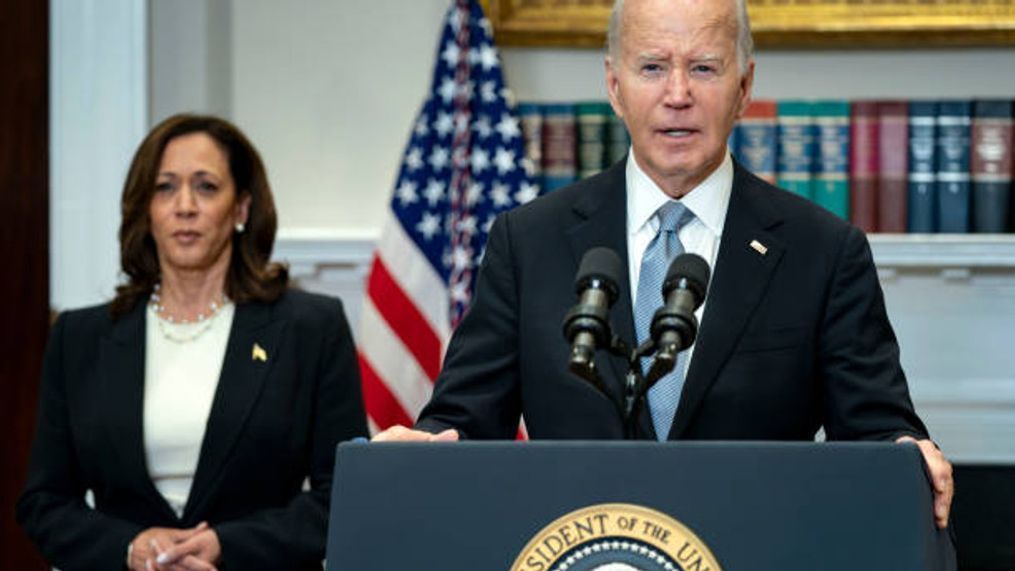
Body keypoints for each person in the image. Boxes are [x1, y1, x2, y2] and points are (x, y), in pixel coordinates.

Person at [376, 0, 953, 530]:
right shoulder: (528, 242)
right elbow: (465, 422)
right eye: (652, 67)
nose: (678, 93)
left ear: (745, 85)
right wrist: (426, 449)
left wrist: (905, 452)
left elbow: (876, 431)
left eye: (704, 68)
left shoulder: (823, 250)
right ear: (614, 85)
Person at [17, 114, 368, 570]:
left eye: (205, 187)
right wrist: (132, 547)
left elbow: (342, 497)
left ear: (241, 209)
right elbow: (43, 503)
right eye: (165, 188)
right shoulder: (80, 337)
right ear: (145, 208)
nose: (184, 205)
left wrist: (226, 545)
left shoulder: (310, 328)